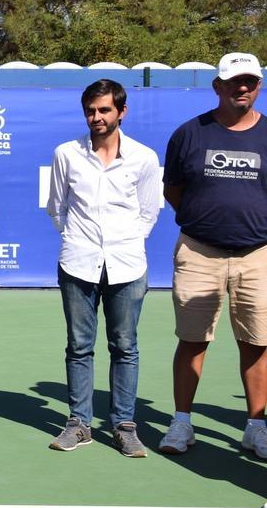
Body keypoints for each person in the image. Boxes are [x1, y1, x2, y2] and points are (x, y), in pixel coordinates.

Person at [159, 52, 267, 460]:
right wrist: (205, 219)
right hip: (198, 251)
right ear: (217, 87)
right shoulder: (190, 134)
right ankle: (182, 422)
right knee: (192, 341)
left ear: (258, 86)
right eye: (234, 81)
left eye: (250, 81)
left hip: (258, 255)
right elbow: (174, 189)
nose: (243, 88)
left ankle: (256, 427)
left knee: (257, 343)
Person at [45, 79, 161, 457]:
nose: (97, 117)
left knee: (125, 346)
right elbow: (57, 208)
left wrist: (123, 243)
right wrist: (79, 241)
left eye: (105, 110)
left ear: (121, 112)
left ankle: (124, 426)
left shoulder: (144, 158)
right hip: (78, 263)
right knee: (79, 347)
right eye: (91, 111)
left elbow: (148, 212)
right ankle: (79, 424)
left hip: (127, 266)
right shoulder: (66, 154)